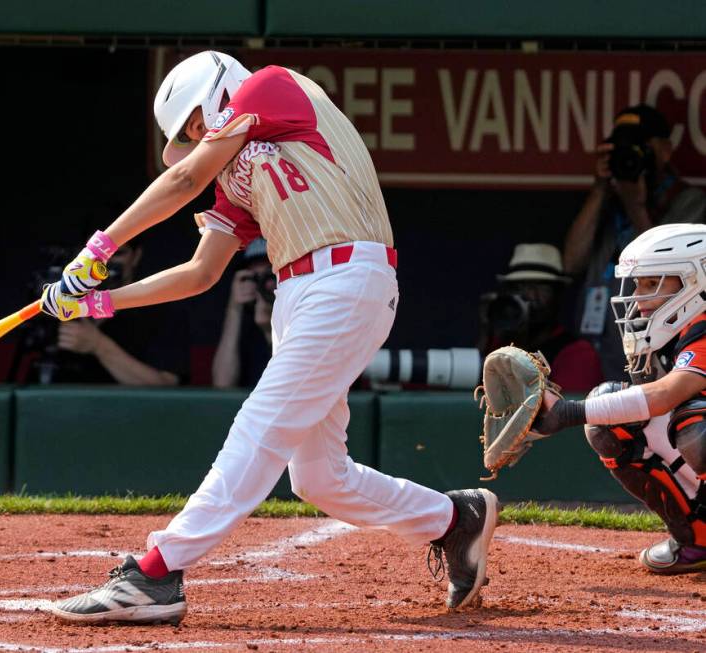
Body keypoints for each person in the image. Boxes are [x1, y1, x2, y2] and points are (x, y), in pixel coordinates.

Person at [41, 51, 498, 624]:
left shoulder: (270, 86)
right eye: (188, 133)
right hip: (299, 295)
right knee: (319, 478)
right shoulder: (238, 180)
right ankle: (454, 520)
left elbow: (184, 177)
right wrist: (98, 301)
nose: (197, 137)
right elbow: (201, 273)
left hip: (347, 277)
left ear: (218, 93)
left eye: (195, 124)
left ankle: (157, 571)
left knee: (260, 424)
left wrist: (99, 250)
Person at [534, 223, 706, 575]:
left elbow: (668, 394)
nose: (639, 297)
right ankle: (698, 537)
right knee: (616, 417)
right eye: (638, 284)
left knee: (695, 423)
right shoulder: (681, 331)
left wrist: (567, 412)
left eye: (651, 284)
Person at [563, 104, 706, 382]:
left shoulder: (690, 202)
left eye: (640, 148)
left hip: (660, 354)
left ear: (664, 150)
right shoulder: (607, 203)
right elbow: (571, 262)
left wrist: (636, 207)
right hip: (599, 349)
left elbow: (670, 270)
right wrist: (600, 189)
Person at [48, 237, 189, 385]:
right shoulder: (59, 304)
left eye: (117, 254)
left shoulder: (163, 311)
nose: (105, 263)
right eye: (94, 256)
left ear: (136, 256)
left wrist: (98, 345)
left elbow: (167, 388)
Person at [479, 243, 602, 393]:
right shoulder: (500, 343)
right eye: (519, 288)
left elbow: (563, 412)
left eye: (540, 287)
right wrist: (487, 331)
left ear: (558, 295)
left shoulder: (577, 353)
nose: (529, 296)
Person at [212, 238, 273, 388]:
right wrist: (234, 308)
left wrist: (270, 331)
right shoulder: (242, 316)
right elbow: (222, 384)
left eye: (268, 276)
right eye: (254, 278)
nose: (260, 284)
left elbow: (293, 385)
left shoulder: (300, 312)